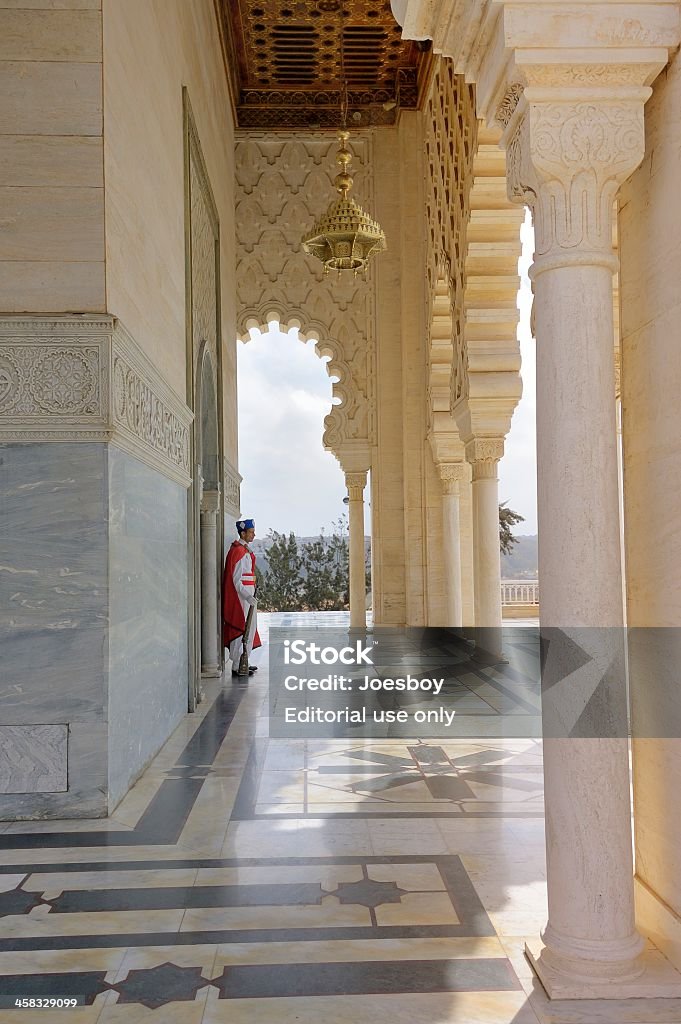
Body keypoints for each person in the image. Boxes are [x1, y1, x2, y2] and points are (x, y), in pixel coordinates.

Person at [223, 517, 261, 676]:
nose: (253, 535)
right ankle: (238, 663)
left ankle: (243, 661)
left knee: (249, 628)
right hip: (242, 599)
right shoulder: (238, 551)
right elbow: (236, 580)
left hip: (248, 597)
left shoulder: (244, 550)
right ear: (243, 533)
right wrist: (247, 596)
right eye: (251, 532)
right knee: (242, 628)